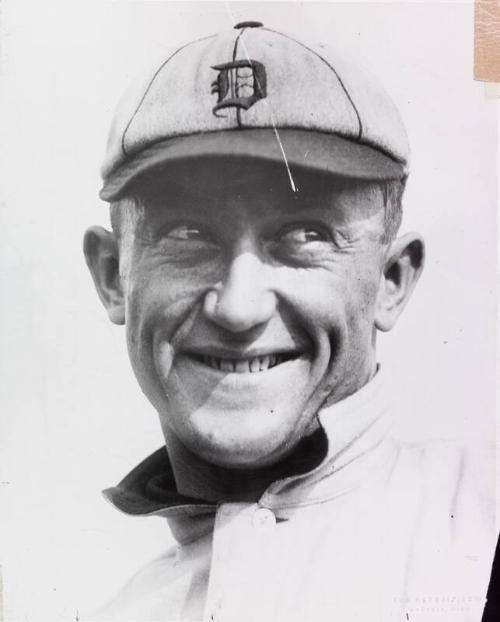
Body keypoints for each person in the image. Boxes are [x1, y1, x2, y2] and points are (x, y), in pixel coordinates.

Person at [83, 21, 495, 622]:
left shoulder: (481, 521)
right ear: (113, 275)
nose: (239, 306)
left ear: (391, 281)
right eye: (187, 233)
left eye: (307, 234)